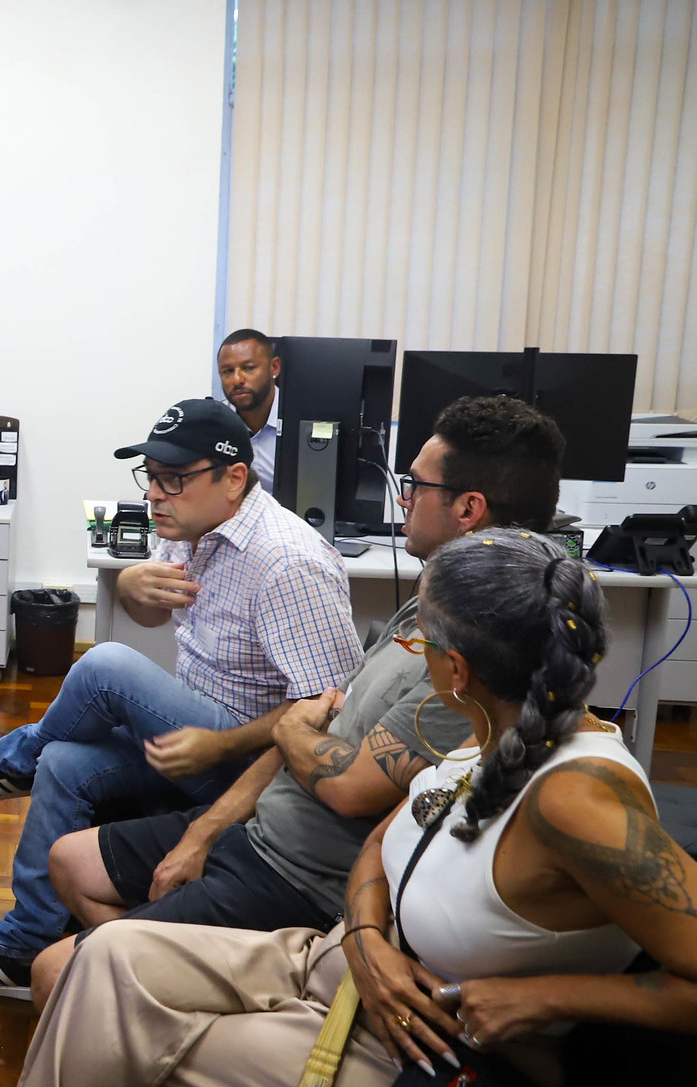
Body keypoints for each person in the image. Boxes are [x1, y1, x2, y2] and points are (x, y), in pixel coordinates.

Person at [0, 530, 697, 1087]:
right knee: (105, 958)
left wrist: (540, 997)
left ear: (456, 669)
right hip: (344, 964)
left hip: (434, 1061)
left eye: (419, 642)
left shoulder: (578, 800)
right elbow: (380, 848)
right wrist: (367, 936)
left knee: (121, 1069)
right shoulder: (489, 734)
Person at [28, 396, 567, 1006]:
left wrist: (292, 731)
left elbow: (346, 778)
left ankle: (138, 985)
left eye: (416, 484)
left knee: (56, 972)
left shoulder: (481, 648)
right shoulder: (433, 602)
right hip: (265, 821)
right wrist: (206, 832)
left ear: (469, 509)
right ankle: (153, 997)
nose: (402, 498)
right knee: (70, 859)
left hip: (299, 875)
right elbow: (320, 723)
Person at [0, 398, 361, 1000]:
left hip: (253, 769)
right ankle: (23, 946)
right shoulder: (194, 528)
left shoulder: (288, 563)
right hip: (194, 741)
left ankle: (7, 763)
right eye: (150, 477)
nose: (155, 494)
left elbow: (328, 714)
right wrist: (129, 584)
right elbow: (148, 613)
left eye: (173, 480)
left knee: (106, 665)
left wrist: (215, 774)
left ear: (234, 478)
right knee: (64, 764)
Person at [216, 328, 280, 493]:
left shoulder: (303, 422)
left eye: (249, 368)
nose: (237, 380)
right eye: (228, 371)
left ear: (274, 367)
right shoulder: (213, 425)